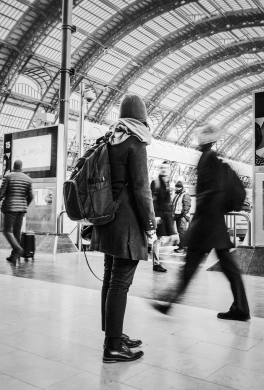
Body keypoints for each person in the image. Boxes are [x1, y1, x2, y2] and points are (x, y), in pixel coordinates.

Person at [153, 123, 250, 321]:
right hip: (212, 224)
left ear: (206, 139)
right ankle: (241, 306)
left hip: (207, 225)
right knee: (226, 266)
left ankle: (169, 302)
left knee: (191, 267)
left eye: (202, 135)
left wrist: (199, 223)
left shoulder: (208, 158)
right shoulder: (209, 158)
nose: (198, 138)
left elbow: (210, 194)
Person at [89, 94, 157, 363]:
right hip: (127, 224)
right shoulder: (136, 142)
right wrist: (150, 225)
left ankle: (113, 335)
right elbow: (142, 189)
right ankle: (113, 347)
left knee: (110, 277)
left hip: (106, 219)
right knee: (120, 282)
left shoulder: (110, 138)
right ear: (142, 117)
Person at [0, 160, 34, 264]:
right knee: (16, 232)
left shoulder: (8, 177)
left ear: (14, 166)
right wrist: (24, 204)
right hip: (21, 210)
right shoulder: (28, 179)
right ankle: (14, 256)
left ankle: (18, 249)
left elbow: (1, 193)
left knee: (7, 231)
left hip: (10, 208)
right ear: (21, 167)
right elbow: (31, 196)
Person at [149, 161, 174, 272]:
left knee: (160, 240)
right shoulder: (156, 182)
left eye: (166, 168)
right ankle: (156, 263)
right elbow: (152, 200)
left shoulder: (167, 183)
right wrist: (154, 216)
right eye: (162, 167)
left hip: (164, 217)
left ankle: (157, 262)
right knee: (157, 240)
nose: (164, 169)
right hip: (158, 216)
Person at [172, 181, 191, 254]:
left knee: (183, 232)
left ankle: (184, 247)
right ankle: (181, 246)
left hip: (182, 216)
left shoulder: (184, 195)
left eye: (177, 187)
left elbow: (187, 206)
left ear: (180, 187)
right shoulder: (178, 195)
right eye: (176, 187)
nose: (175, 188)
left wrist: (182, 214)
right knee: (180, 232)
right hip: (178, 216)